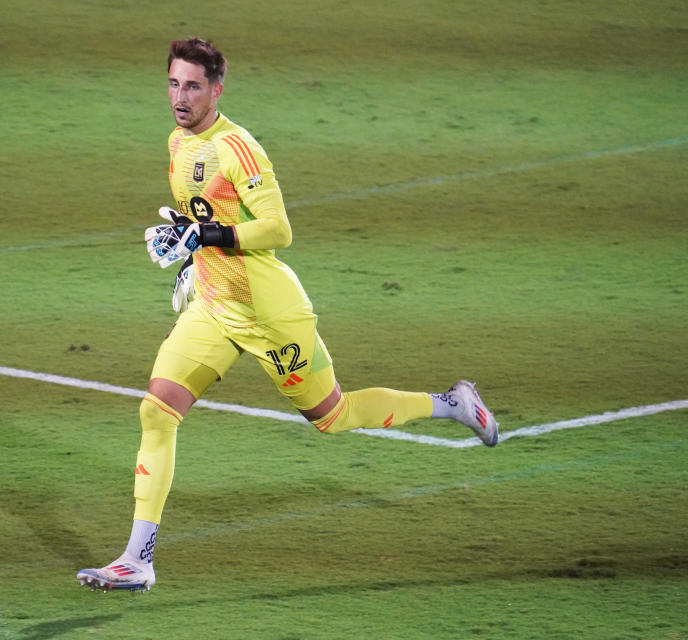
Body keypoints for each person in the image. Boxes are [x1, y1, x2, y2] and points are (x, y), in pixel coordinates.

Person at [77, 37, 499, 593]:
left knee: (333, 416)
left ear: (217, 89)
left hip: (269, 312)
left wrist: (205, 235)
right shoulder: (178, 141)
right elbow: (201, 215)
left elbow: (278, 229)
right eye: (174, 83)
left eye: (193, 86)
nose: (181, 96)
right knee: (157, 412)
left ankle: (451, 405)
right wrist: (193, 256)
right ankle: (138, 558)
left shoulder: (238, 148)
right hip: (214, 305)